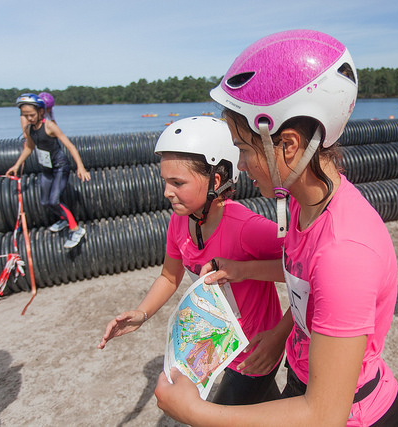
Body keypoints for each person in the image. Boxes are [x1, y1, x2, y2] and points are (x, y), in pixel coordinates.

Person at [154, 29, 398, 426]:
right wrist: (248, 279)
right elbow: (307, 281)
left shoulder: (345, 252)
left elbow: (323, 414)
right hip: (302, 378)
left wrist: (196, 412)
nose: (238, 165)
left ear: (287, 144)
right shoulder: (304, 201)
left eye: (244, 149)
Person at [98, 116, 285, 405]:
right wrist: (141, 314)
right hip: (219, 345)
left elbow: (305, 269)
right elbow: (169, 277)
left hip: (255, 352)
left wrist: (277, 334)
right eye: (165, 181)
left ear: (217, 180)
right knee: (264, 407)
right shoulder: (179, 222)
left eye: (177, 182)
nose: (166, 192)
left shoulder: (247, 228)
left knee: (216, 417)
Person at [7, 93, 90, 249]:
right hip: (46, 169)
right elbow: (30, 147)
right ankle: (64, 219)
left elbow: (70, 146)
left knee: (54, 200)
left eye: (31, 115)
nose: (29, 118)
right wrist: (17, 165)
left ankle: (76, 229)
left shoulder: (50, 126)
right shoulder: (29, 129)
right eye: (25, 115)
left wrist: (81, 166)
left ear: (40, 112)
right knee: (45, 202)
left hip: (60, 167)